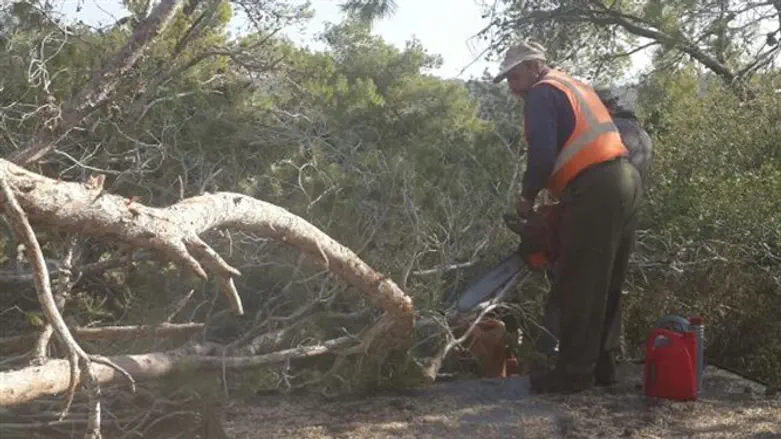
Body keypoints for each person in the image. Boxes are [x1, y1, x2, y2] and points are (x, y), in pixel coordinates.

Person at [492, 41, 643, 394]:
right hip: (624, 178)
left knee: (579, 281)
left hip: (597, 188)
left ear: (533, 67)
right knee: (607, 281)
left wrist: (526, 201)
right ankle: (602, 365)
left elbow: (543, 157)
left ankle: (573, 373)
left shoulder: (542, 94)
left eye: (515, 76)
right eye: (508, 79)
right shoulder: (572, 85)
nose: (513, 86)